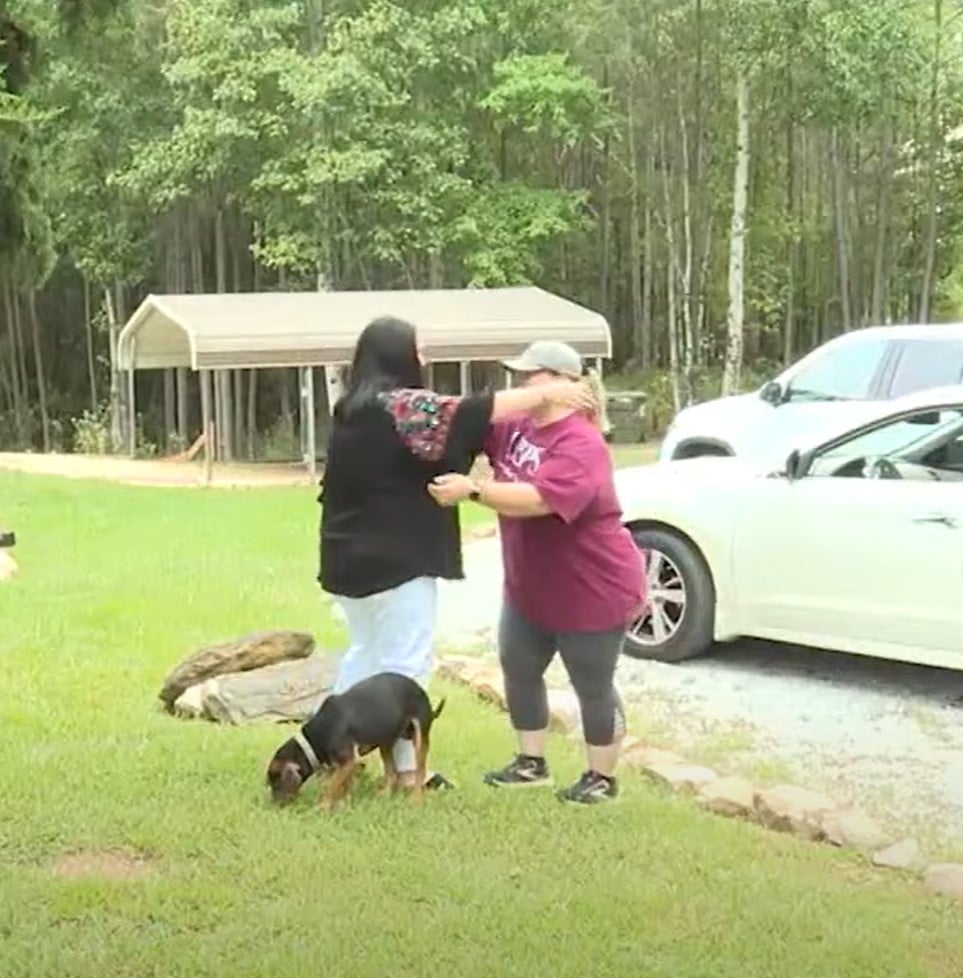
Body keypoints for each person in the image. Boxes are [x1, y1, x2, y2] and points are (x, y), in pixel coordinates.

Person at [319, 318, 594, 793]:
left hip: (346, 560)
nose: (423, 359)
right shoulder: (401, 403)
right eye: (417, 350)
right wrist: (549, 395)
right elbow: (470, 412)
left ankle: (326, 747)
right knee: (405, 666)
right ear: (398, 355)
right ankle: (409, 772)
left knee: (364, 655)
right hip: (397, 561)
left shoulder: (352, 407)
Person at [428, 340, 644, 805]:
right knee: (519, 664)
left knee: (592, 682)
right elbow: (470, 423)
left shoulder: (582, 444)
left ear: (566, 383)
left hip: (592, 588)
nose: (523, 383)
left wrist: (474, 490)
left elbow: (541, 501)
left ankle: (601, 778)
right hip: (531, 586)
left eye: (533, 374)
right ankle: (531, 764)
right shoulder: (518, 426)